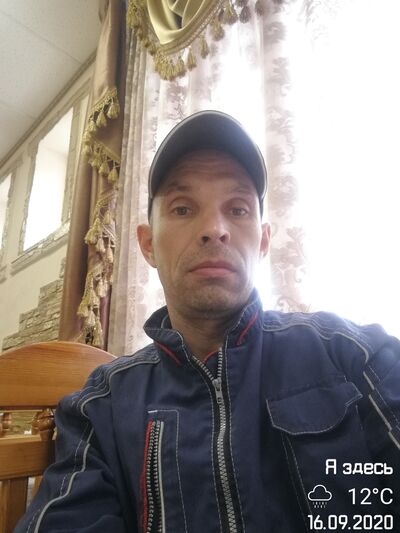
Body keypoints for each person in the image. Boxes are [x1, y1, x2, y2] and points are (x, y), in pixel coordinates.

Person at [16, 111, 400, 533]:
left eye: (237, 209)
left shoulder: (354, 356)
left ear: (263, 242)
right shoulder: (101, 405)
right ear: (148, 244)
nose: (215, 229)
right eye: (183, 208)